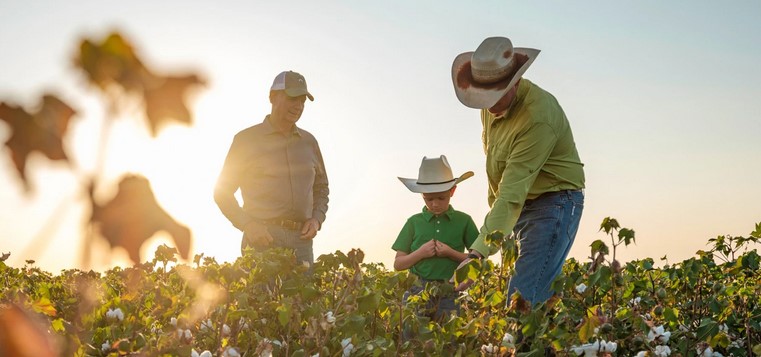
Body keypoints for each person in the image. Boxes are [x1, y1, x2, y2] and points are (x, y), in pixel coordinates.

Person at [450, 36, 585, 304]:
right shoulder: (489, 108)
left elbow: (512, 190)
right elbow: (497, 172)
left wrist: (477, 254)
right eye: (482, 96)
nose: (489, 104)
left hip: (554, 203)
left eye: (495, 95)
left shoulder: (538, 117)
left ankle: (522, 346)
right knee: (533, 299)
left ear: (515, 82)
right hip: (519, 205)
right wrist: (498, 233)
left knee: (523, 297)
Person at [214, 70, 329, 267]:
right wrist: (248, 225)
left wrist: (316, 219)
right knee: (261, 298)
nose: (298, 106)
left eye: (302, 100)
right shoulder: (246, 140)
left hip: (301, 242)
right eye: (293, 98)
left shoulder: (310, 142)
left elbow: (321, 187)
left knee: (303, 299)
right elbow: (222, 192)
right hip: (261, 241)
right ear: (273, 97)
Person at [392, 155, 479, 322]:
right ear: (422, 195)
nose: (435, 204)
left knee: (449, 341)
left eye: (441, 198)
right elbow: (398, 264)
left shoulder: (464, 221)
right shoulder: (413, 222)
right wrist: (421, 253)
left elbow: (477, 261)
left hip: (451, 290)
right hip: (417, 290)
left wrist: (450, 253)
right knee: (414, 340)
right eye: (429, 199)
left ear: (452, 191)